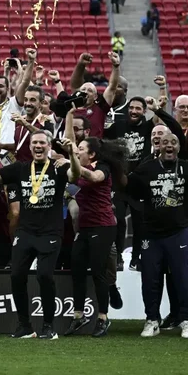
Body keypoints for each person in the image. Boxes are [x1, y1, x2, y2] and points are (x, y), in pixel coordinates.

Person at [127, 133, 188, 339]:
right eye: (165, 143)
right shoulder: (147, 167)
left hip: (179, 232)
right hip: (151, 234)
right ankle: (152, 319)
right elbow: (128, 187)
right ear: (158, 146)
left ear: (179, 147)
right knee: (150, 279)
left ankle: (186, 320)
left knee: (182, 277)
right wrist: (140, 209)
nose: (169, 146)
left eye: (173, 143)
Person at [0, 133, 69, 339]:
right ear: (30, 148)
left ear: (49, 146)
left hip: (50, 231)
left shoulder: (59, 167)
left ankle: (48, 326)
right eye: (34, 143)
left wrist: (71, 156)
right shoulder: (21, 167)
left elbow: (74, 176)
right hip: (26, 231)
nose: (38, 146)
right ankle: (25, 326)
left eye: (42, 143)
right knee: (16, 275)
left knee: (44, 276)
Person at [62, 136, 127, 337]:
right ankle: (79, 316)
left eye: (81, 149)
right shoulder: (76, 166)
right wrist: (70, 157)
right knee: (77, 268)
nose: (78, 151)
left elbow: (95, 178)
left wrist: (69, 159)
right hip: (85, 227)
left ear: (92, 154)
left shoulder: (103, 168)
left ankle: (102, 317)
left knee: (98, 271)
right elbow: (72, 177)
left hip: (104, 226)